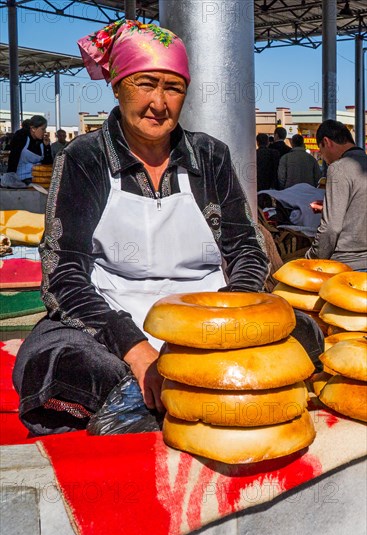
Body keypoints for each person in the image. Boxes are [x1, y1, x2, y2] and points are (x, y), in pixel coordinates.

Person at [13, 20, 323, 435]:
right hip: (114, 321)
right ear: (118, 85)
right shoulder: (85, 158)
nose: (159, 102)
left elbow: (247, 248)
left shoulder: (209, 155)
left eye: (173, 88)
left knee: (306, 331)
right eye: (145, 84)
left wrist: (226, 324)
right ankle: (151, 405)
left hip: (209, 316)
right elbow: (64, 273)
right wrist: (138, 352)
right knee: (51, 358)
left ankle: (165, 405)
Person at [306, 119, 367, 271]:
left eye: (321, 152)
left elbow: (331, 228)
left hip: (347, 264)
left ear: (326, 142)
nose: (323, 158)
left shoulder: (338, 168)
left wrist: (311, 258)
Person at [6, 115, 52, 184]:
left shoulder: (42, 142)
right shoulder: (21, 137)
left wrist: (47, 147)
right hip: (20, 180)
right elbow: (13, 158)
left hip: (38, 179)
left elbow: (47, 163)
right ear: (33, 129)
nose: (45, 131)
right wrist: (10, 179)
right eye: (43, 129)